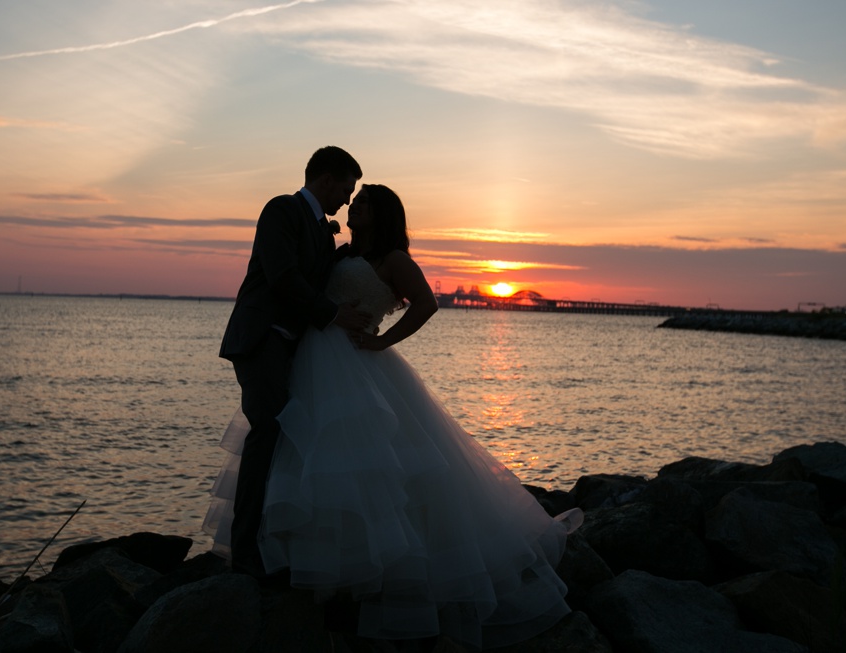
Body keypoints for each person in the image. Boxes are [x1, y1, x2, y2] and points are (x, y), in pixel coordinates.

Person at [206, 184, 580, 649]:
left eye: (363, 202)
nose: (353, 206)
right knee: (301, 453)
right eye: (354, 198)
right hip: (310, 360)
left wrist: (384, 341)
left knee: (364, 466)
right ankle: (297, 563)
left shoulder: (393, 259)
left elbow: (427, 303)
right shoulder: (339, 252)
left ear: (381, 214)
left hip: (356, 363)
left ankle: (367, 576)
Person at [212, 146, 369, 577]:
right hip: (260, 339)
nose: (347, 200)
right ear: (325, 180)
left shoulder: (322, 230)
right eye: (345, 189)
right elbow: (283, 278)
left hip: (290, 347)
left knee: (286, 439)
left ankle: (272, 540)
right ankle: (243, 552)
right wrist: (334, 315)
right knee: (266, 433)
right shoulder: (281, 210)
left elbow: (320, 275)